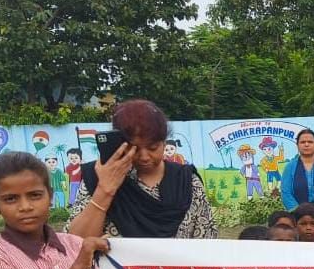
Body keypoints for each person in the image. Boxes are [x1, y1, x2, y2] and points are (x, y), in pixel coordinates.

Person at [67, 99, 217, 238]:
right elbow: (76, 242)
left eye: (153, 147)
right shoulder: (97, 177)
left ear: (164, 143)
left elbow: (207, 244)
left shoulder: (187, 182)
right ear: (120, 144)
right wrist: (105, 190)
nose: (144, 157)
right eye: (135, 149)